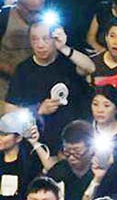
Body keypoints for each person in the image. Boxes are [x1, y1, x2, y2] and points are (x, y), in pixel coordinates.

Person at [5, 19, 94, 153]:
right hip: (38, 142)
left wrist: (64, 48)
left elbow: (90, 68)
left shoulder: (67, 62)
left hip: (73, 142)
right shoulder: (23, 69)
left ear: (55, 39)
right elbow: (9, 110)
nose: (40, 45)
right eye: (34, 39)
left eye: (46, 39)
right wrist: (38, 110)